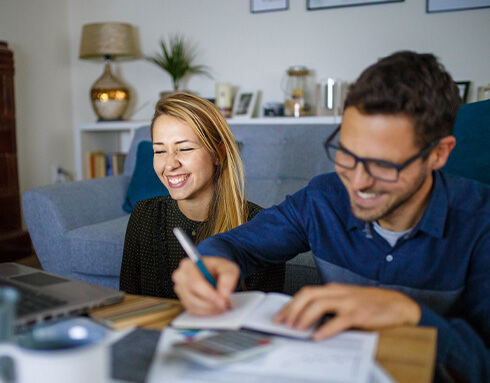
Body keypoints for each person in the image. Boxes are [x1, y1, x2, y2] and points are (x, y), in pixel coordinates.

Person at [172, 52, 490, 382]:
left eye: (383, 165)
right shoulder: (323, 198)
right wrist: (209, 261)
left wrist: (409, 313)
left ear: (438, 153)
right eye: (346, 154)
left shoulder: (481, 222)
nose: (358, 182)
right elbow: (236, 246)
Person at [119, 92, 284, 299]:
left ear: (218, 154)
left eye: (185, 148)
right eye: (160, 151)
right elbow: (128, 303)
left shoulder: (259, 226)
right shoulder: (144, 215)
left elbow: (262, 317)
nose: (170, 164)